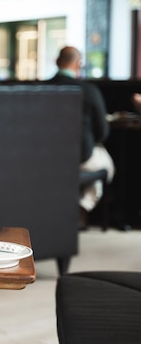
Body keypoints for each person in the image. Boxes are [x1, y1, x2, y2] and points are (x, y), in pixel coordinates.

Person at [49, 46, 114, 224]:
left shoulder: (40, 89)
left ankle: (72, 211)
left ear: (56, 62)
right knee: (106, 165)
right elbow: (102, 132)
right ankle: (82, 207)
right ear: (79, 64)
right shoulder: (89, 90)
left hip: (45, 158)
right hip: (80, 157)